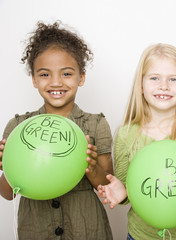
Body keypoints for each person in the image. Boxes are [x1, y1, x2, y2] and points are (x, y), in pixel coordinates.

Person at [0, 21, 113, 239]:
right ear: (34, 79)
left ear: (81, 77)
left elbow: (109, 186)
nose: (56, 82)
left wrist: (91, 168)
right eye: (44, 74)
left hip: (86, 228)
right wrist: (9, 169)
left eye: (67, 74)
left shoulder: (96, 124)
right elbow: (7, 194)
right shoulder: (17, 128)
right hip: (36, 229)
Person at [97, 43, 176, 240]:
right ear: (141, 85)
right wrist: (121, 192)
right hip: (139, 236)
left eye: (173, 79)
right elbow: (125, 196)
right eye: (154, 78)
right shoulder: (126, 134)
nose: (164, 86)